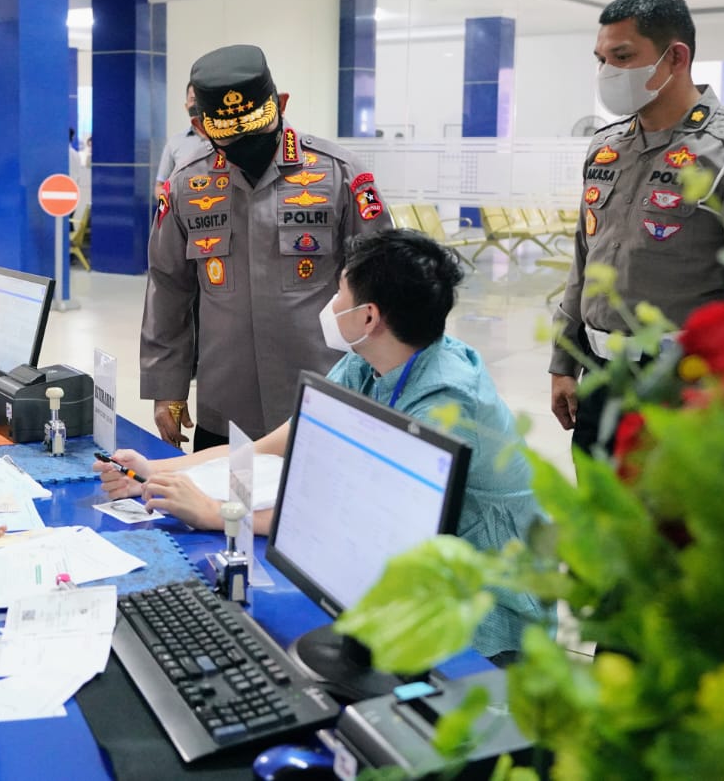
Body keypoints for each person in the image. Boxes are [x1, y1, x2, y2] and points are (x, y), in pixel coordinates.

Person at [108, 227, 545, 660]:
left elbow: (362, 520)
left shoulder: (445, 406)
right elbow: (267, 446)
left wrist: (213, 512)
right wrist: (153, 472)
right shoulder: (368, 362)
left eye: (339, 293)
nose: (332, 304)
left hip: (481, 605)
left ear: (369, 317)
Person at [550, 0, 724, 454]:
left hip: (688, 385)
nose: (607, 72)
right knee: (597, 496)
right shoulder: (607, 146)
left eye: (622, 57)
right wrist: (563, 361)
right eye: (601, 59)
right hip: (601, 376)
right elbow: (584, 262)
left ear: (676, 57)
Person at [141, 44, 393, 449]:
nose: (244, 142)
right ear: (202, 127)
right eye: (229, 134)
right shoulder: (187, 185)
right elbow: (168, 288)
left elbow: (384, 288)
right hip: (225, 405)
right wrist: (166, 386)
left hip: (320, 400)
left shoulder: (339, 175)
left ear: (282, 104)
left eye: (255, 127)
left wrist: (385, 384)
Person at [155, 83, 209, 196]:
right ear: (186, 106)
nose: (197, 105)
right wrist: (171, 201)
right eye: (193, 100)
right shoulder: (175, 143)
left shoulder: (225, 141)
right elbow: (159, 187)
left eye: (202, 99)